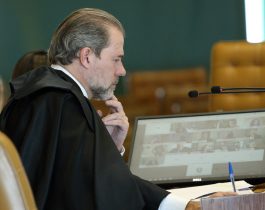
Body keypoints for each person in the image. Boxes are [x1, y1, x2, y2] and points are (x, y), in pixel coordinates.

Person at [0, 8, 235, 210]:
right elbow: (97, 194)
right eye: (116, 59)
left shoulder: (47, 94)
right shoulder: (61, 101)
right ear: (87, 56)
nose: (122, 70)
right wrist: (185, 205)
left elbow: (80, 178)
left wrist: (109, 149)